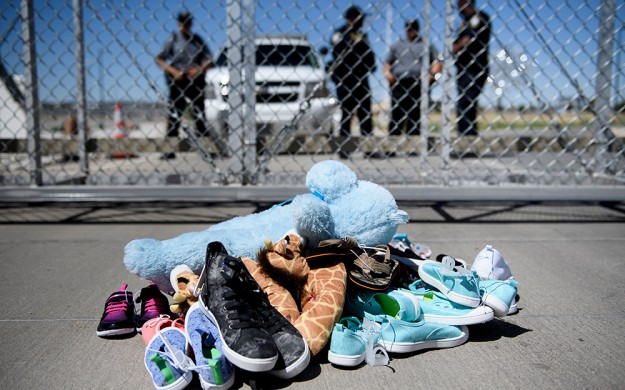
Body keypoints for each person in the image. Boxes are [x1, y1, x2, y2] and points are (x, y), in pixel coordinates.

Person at [155, 12, 214, 160]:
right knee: (175, 115)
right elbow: (160, 59)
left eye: (187, 22)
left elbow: (209, 59)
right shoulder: (173, 39)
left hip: (195, 80)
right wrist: (173, 71)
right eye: (182, 22)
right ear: (178, 23)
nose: (185, 25)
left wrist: (198, 70)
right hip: (178, 81)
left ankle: (205, 148)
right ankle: (170, 149)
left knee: (199, 115)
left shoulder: (197, 41)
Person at [329, 5, 376, 158]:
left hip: (361, 81)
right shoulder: (339, 34)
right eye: (360, 19)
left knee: (365, 115)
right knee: (346, 115)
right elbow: (337, 54)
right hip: (346, 81)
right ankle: (344, 149)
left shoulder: (361, 36)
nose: (362, 22)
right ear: (352, 19)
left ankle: (369, 148)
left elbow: (369, 57)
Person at [383, 18, 442, 137]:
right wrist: (388, 75)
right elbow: (387, 63)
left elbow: (438, 61)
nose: (411, 31)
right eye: (409, 28)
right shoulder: (398, 45)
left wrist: (431, 77)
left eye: (414, 28)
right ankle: (392, 145)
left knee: (415, 114)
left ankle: (413, 146)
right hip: (399, 83)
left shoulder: (425, 45)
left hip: (417, 82)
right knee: (397, 113)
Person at [453, 0, 490, 137]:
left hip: (475, 67)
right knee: (464, 101)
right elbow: (456, 44)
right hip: (463, 68)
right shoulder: (463, 23)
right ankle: (466, 135)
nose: (459, 10)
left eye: (460, 5)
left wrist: (457, 46)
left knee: (467, 101)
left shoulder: (479, 18)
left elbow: (465, 41)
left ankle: (467, 137)